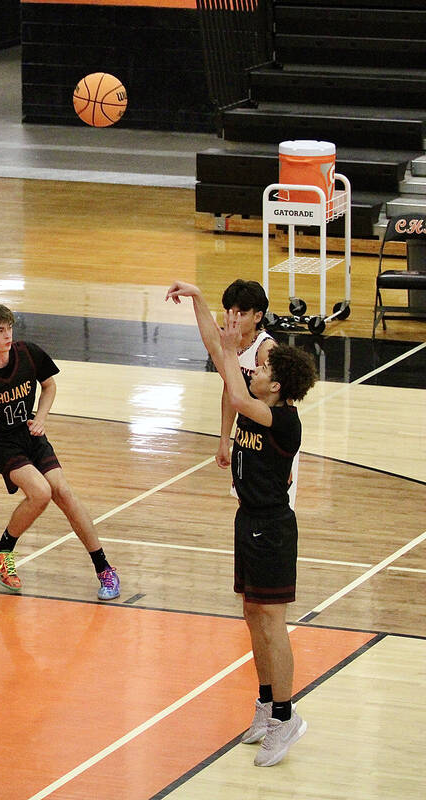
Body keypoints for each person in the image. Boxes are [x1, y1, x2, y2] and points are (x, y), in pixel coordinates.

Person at [166, 280, 317, 767]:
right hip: (246, 520)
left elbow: (233, 380)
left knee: (273, 623)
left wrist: (231, 352)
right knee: (253, 616)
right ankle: (266, 704)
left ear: (274, 385)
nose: (257, 367)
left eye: (264, 368)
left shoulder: (280, 420)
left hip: (273, 528)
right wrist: (199, 301)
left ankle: (287, 717)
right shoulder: (255, 408)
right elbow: (219, 352)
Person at [0, 304, 120, 600]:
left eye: (9, 328)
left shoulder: (28, 353)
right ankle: (4, 549)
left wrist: (42, 416)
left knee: (63, 492)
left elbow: (49, 385)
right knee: (40, 492)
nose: (8, 335)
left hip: (29, 432)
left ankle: (104, 568)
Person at [215, 280, 300, 509]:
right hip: (247, 440)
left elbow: (287, 403)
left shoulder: (265, 350)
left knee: (270, 510)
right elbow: (229, 392)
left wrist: (283, 459)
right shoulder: (234, 345)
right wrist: (225, 439)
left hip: (271, 446)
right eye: (229, 312)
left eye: (241, 313)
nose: (233, 319)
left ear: (257, 316)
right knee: (245, 504)